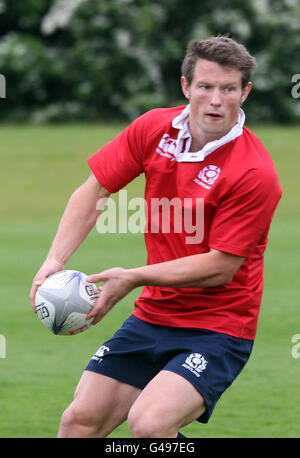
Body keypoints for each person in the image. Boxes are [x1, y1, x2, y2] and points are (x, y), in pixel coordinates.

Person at [30, 36, 282, 438]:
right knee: (79, 423)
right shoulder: (154, 129)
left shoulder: (254, 172)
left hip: (219, 326)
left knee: (149, 425)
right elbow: (94, 190)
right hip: (154, 315)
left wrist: (131, 277)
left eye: (228, 89)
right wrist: (54, 261)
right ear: (186, 86)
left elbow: (220, 267)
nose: (216, 100)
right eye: (205, 86)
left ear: (244, 92)